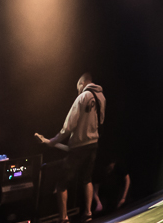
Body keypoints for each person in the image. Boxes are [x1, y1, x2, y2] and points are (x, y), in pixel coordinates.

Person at [36, 73, 106, 222]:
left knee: (62, 183)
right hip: (93, 144)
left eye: (78, 88)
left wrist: (53, 141)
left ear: (82, 83)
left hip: (79, 146)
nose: (78, 91)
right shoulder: (102, 98)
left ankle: (64, 218)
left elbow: (69, 126)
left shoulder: (82, 97)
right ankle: (88, 213)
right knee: (87, 179)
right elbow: (101, 121)